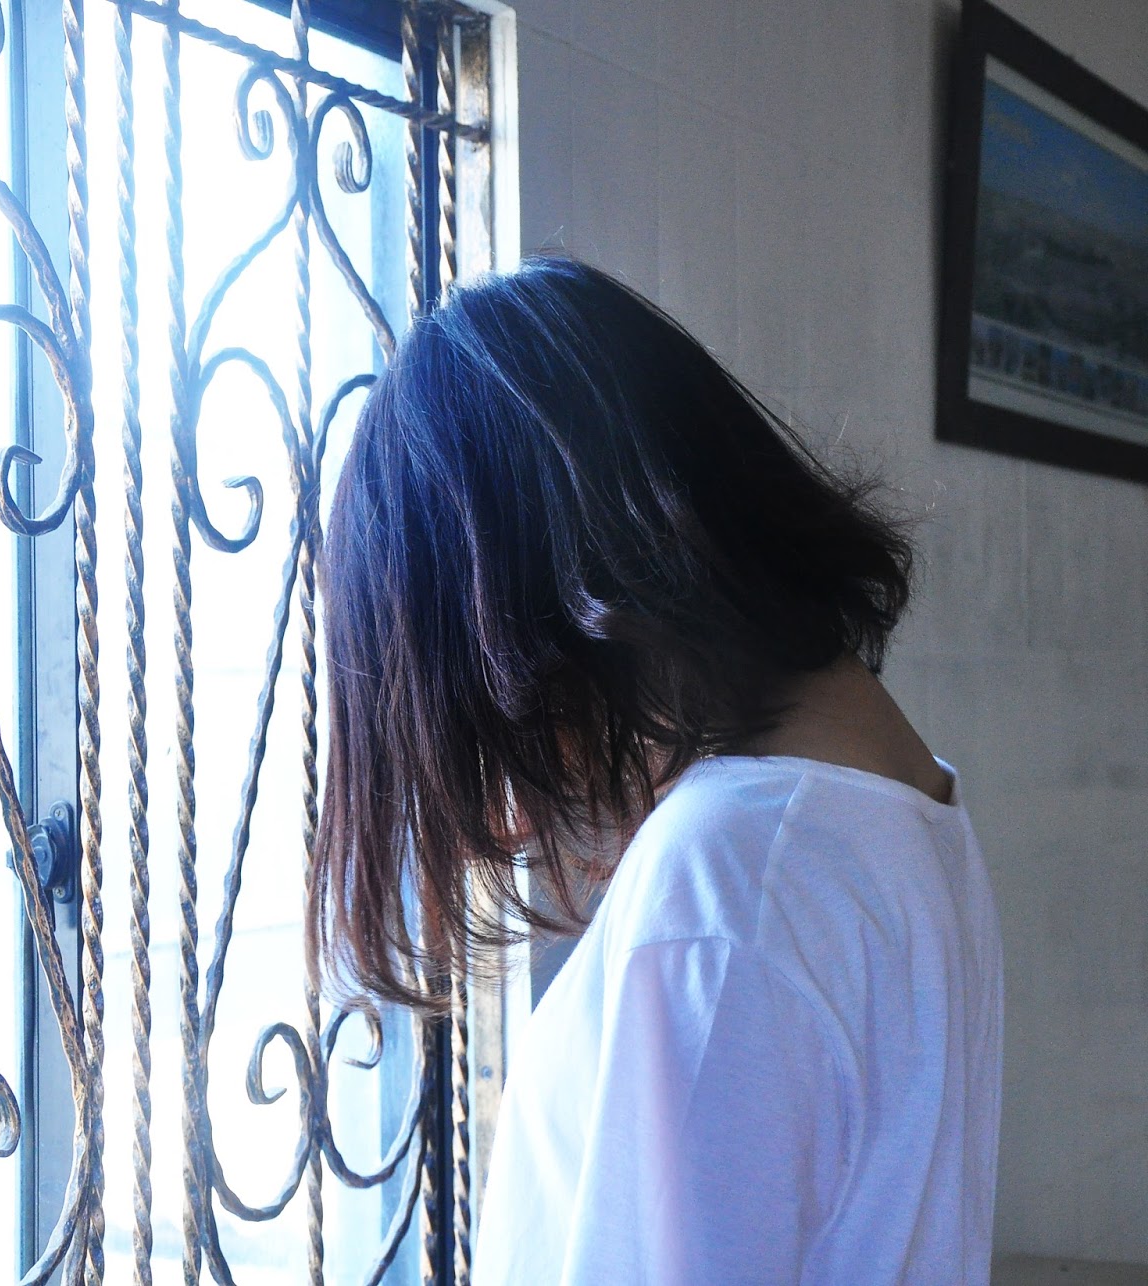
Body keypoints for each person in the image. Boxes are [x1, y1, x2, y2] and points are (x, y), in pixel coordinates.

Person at [310, 257, 1003, 1283]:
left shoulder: (728, 873)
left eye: (483, 718)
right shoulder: (913, 809)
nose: (519, 808)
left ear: (535, 620)